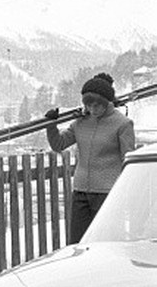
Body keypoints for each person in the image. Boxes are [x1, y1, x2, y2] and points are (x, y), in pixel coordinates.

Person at [45, 72, 136, 244]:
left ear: (107, 103)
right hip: (80, 191)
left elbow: (128, 160)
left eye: (97, 106)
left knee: (104, 243)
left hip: (107, 193)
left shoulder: (122, 124)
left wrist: (126, 192)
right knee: (77, 243)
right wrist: (51, 125)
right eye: (89, 105)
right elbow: (59, 144)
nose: (92, 110)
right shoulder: (80, 122)